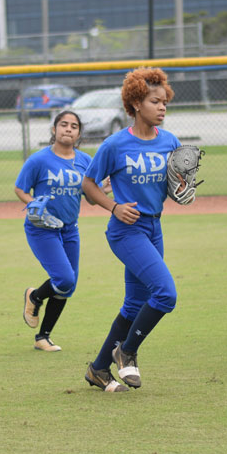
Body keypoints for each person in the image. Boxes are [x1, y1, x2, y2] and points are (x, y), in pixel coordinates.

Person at [81, 67, 181, 392]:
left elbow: (175, 186)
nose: (162, 107)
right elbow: (88, 183)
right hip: (126, 230)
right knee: (165, 294)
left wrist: (182, 188)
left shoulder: (170, 142)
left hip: (154, 228)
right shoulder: (115, 144)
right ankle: (126, 351)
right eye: (155, 101)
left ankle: (98, 369)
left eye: (165, 101)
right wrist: (112, 206)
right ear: (136, 103)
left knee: (134, 305)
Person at [15, 110, 92, 352]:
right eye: (63, 124)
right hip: (42, 229)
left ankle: (43, 337)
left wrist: (105, 190)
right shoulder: (39, 160)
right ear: (54, 129)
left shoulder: (85, 161)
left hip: (69, 229)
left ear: (79, 133)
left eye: (74, 126)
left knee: (68, 286)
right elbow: (20, 188)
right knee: (64, 279)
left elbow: (90, 196)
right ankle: (35, 297)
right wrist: (31, 204)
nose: (68, 129)